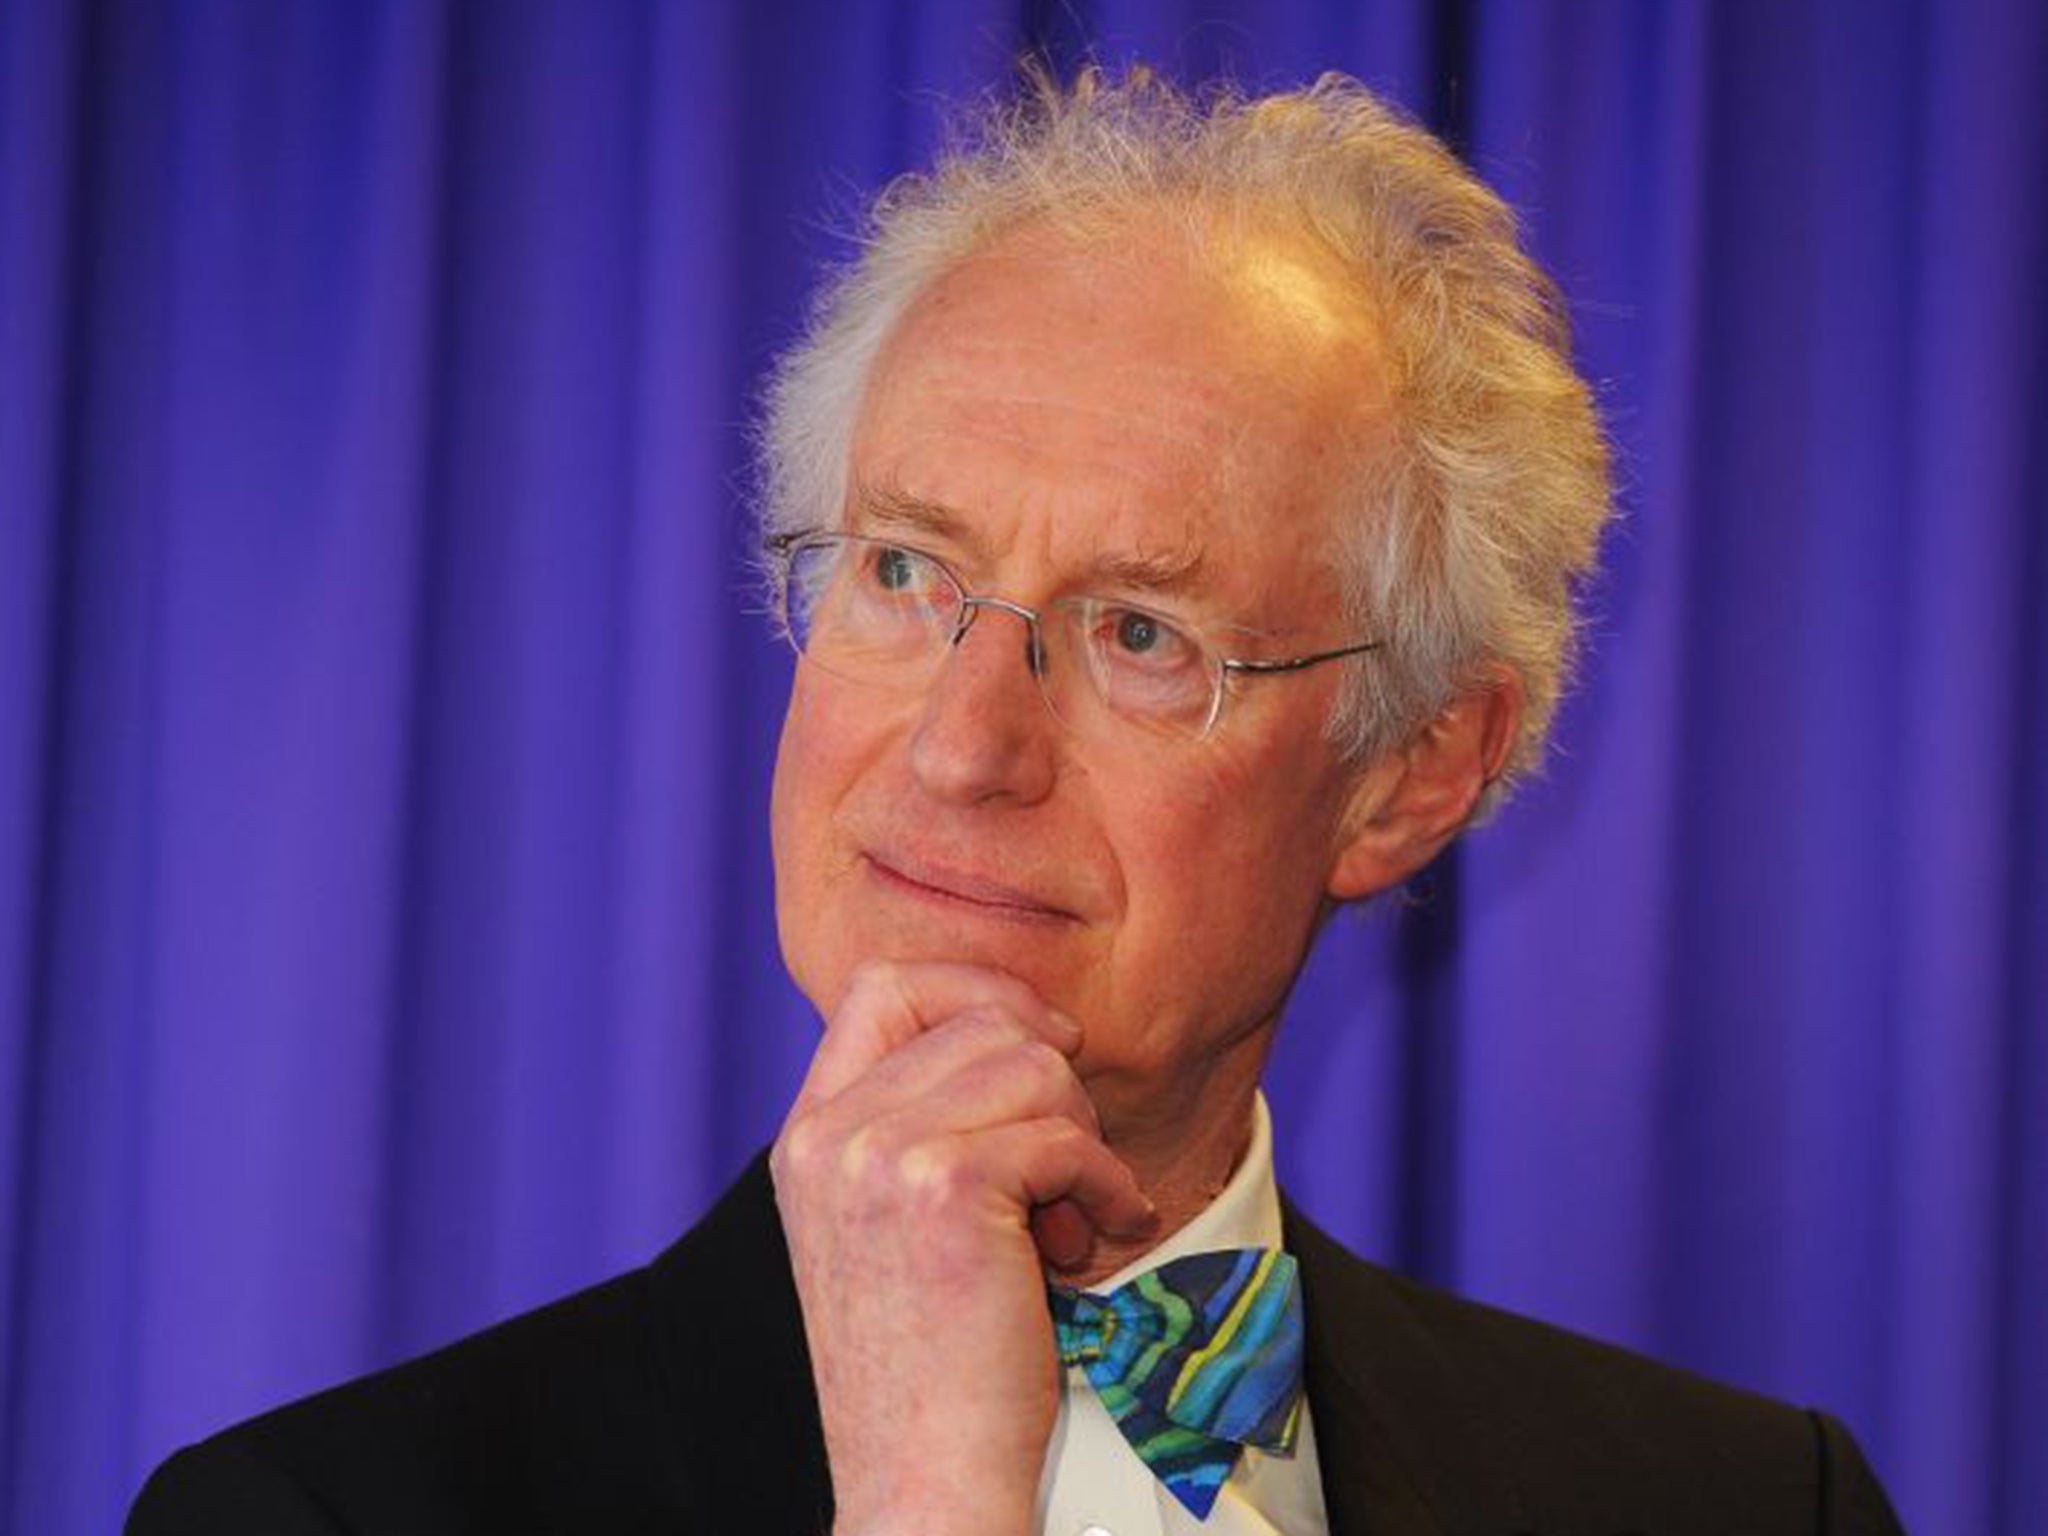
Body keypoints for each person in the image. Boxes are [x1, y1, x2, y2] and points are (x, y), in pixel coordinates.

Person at [129, 67, 1905, 1536]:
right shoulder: (317, 1517)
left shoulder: (1747, 1504)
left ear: (1410, 770)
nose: (966, 745)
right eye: (903, 573)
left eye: (1141, 632)